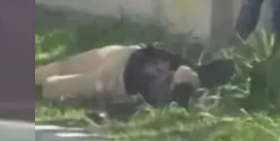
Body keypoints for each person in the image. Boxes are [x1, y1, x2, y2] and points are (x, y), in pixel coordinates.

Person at [35, 43, 234, 109]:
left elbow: (180, 81)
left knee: (54, 78)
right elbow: (186, 75)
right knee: (56, 77)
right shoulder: (189, 72)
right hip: (118, 65)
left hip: (118, 66)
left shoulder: (166, 86)